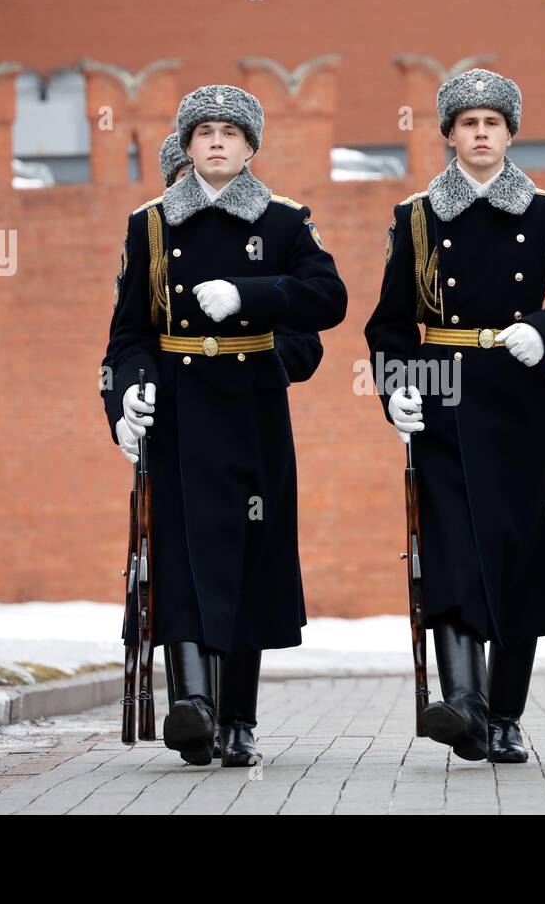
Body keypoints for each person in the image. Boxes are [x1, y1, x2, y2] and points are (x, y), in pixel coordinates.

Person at [364, 68, 545, 762]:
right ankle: (464, 704)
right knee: (451, 554)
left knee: (519, 561)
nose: (480, 133)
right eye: (467, 123)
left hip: (520, 399)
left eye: (492, 123)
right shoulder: (416, 218)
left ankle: (504, 715)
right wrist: (397, 390)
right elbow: (388, 327)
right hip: (442, 400)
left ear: (509, 134)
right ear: (447, 134)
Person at [101, 86, 347, 767]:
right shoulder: (149, 226)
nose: (215, 141)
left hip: (251, 413)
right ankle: (193, 705)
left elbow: (327, 303)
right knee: (177, 555)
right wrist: (125, 402)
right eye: (202, 131)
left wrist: (251, 296)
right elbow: (127, 338)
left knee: (247, 564)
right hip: (178, 412)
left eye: (229, 133)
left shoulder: (286, 221)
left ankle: (237, 717)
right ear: (185, 145)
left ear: (249, 147)